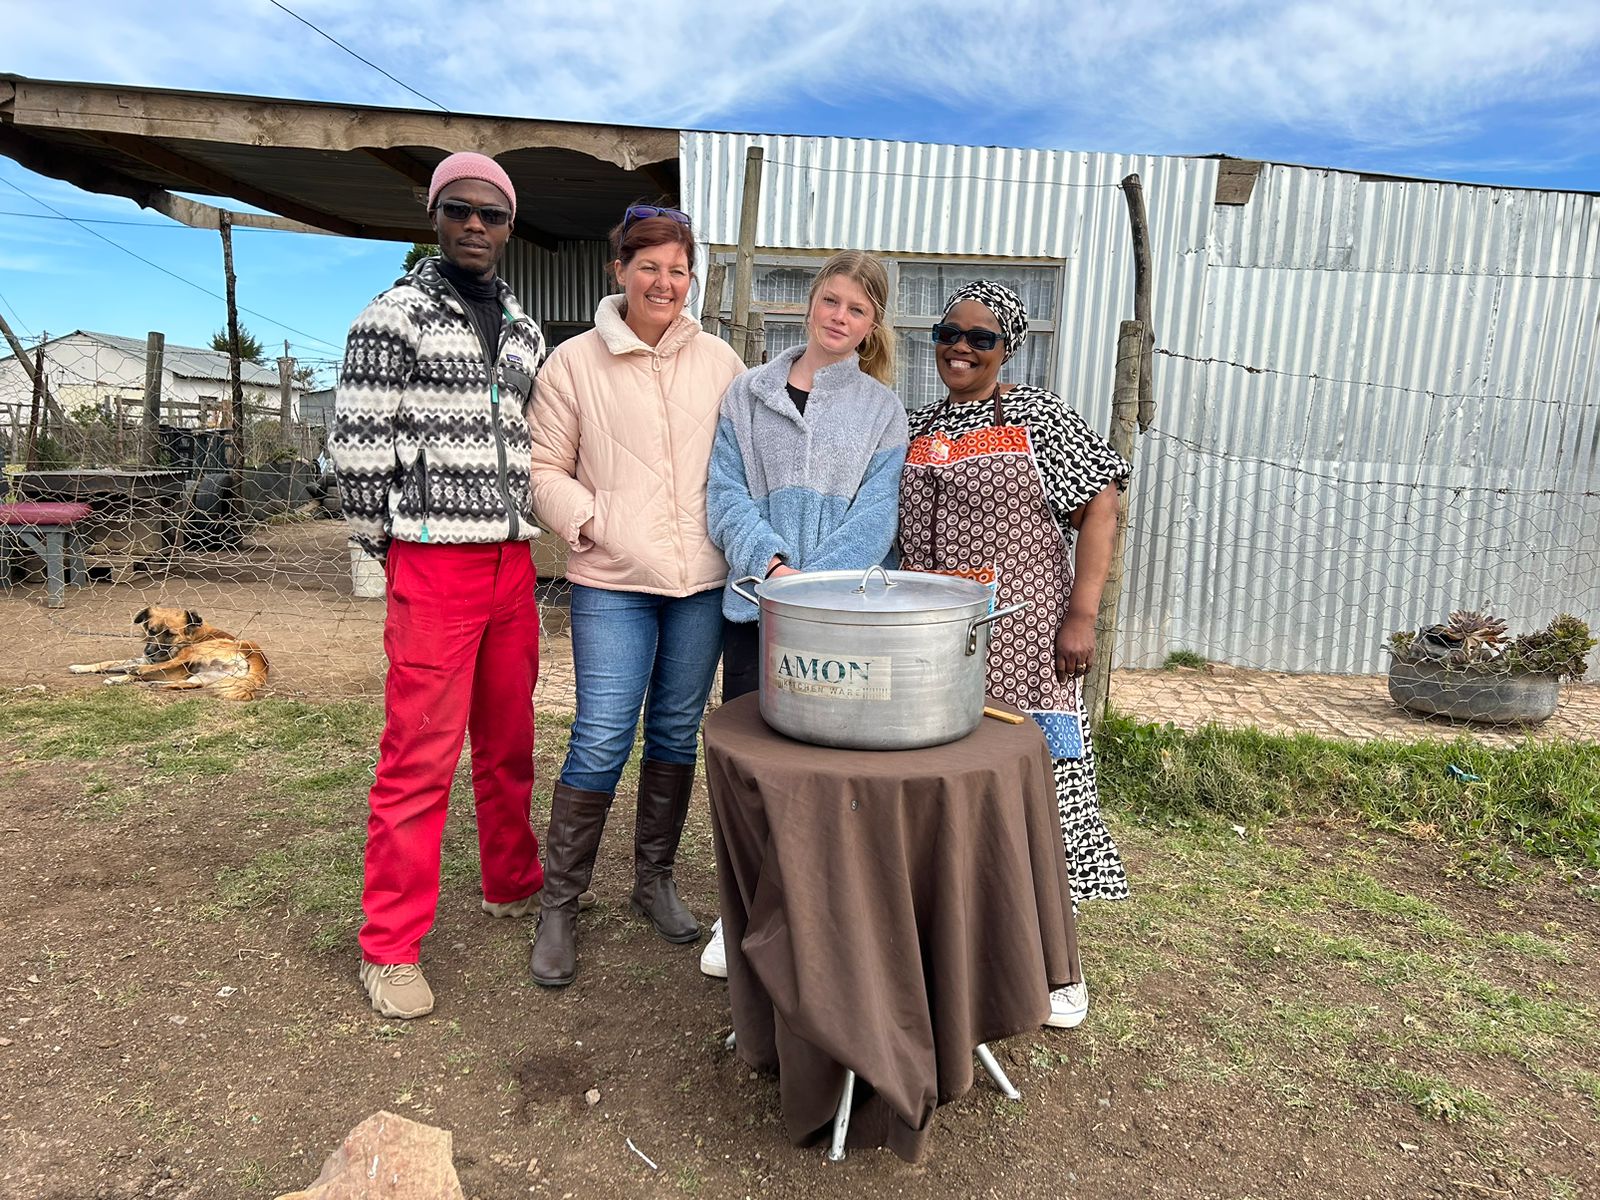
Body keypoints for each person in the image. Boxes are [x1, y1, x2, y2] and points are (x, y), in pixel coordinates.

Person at [329, 152, 548, 1019]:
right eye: (460, 210)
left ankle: (512, 880)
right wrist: (380, 550)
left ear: (507, 227)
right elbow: (355, 445)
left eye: (492, 215)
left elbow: (526, 441)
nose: (476, 226)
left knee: (508, 736)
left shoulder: (527, 331)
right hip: (433, 555)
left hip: (511, 561)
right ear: (434, 216)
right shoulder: (393, 317)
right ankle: (388, 948)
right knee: (420, 753)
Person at [897, 280, 1130, 1030]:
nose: (961, 346)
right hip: (935, 647)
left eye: (982, 337)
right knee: (950, 791)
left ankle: (1060, 969)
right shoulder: (919, 423)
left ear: (1008, 348)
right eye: (949, 331)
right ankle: (954, 945)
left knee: (1038, 790)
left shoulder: (1040, 418)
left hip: (1023, 639)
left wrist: (1082, 613)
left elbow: (1101, 500)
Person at [527, 203, 745, 988]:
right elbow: (542, 467)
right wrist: (588, 522)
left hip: (699, 584)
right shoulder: (574, 364)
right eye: (648, 265)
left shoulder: (720, 362)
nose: (664, 281)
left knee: (677, 730)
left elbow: (742, 461)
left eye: (678, 269)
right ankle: (561, 901)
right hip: (612, 578)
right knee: (601, 734)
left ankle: (652, 879)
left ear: (693, 279)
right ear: (618, 270)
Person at [699, 249, 909, 977]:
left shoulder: (882, 411)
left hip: (840, 624)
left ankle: (821, 919)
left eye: (856, 309)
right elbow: (723, 495)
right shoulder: (746, 394)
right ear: (812, 301)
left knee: (831, 776)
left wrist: (810, 591)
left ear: (871, 324)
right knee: (755, 767)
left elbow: (877, 518)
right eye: (831, 301)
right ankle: (743, 913)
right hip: (755, 613)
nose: (839, 318)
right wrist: (770, 566)